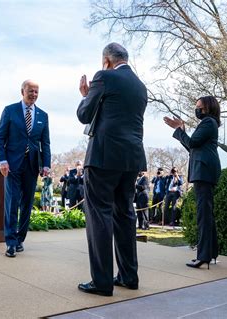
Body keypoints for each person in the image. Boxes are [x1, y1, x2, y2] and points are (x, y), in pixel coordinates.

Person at [76, 42, 147, 296]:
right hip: (132, 159)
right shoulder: (140, 86)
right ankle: (129, 276)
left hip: (104, 156)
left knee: (99, 215)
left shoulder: (104, 77)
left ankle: (102, 282)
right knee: (125, 214)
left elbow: (84, 115)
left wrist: (86, 95)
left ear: (106, 60)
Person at [0, 79, 51, 258]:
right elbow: (0, 138)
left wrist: (47, 165)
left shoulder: (43, 115)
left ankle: (20, 239)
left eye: (36, 91)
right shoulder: (10, 110)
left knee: (27, 203)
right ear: (22, 91)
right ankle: (10, 242)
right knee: (12, 203)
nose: (34, 94)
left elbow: (45, 143)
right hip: (11, 165)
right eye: (31, 91)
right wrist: (2, 160)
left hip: (32, 165)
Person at [164, 96, 221, 269]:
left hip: (204, 171)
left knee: (203, 214)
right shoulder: (208, 124)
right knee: (206, 213)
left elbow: (193, 142)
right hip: (204, 170)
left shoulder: (208, 122)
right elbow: (192, 146)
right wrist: (182, 131)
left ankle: (203, 256)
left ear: (208, 108)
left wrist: (180, 129)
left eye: (199, 107)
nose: (196, 110)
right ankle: (211, 253)